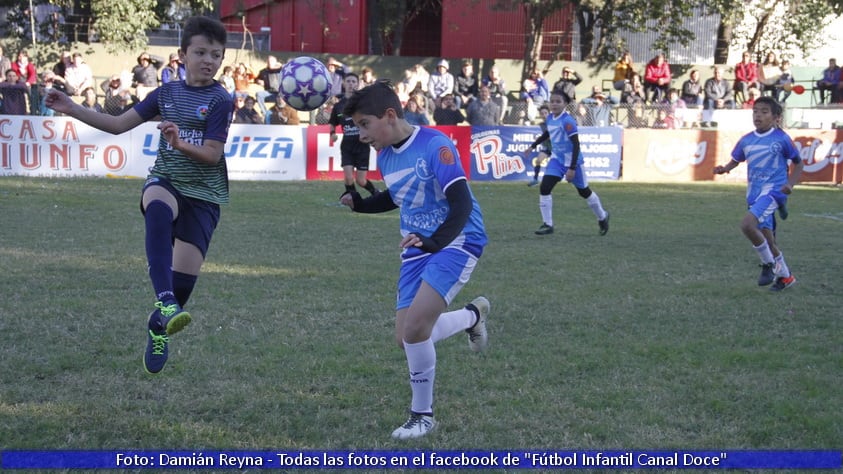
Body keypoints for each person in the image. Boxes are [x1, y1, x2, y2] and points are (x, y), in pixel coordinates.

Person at [44, 15, 233, 375]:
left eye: (216, 55)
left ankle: (158, 325)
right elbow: (117, 125)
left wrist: (179, 143)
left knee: (184, 287)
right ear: (183, 54)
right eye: (201, 52)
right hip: (167, 180)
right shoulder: (166, 93)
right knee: (158, 206)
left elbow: (212, 154)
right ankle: (163, 302)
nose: (209, 60)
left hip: (205, 196)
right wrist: (72, 108)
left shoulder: (221, 99)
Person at [339, 80, 490, 440]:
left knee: (416, 329)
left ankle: (422, 416)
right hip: (417, 246)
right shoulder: (387, 153)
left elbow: (462, 203)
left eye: (364, 124)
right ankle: (473, 315)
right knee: (407, 336)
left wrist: (436, 241)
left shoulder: (435, 145)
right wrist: (361, 205)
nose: (361, 135)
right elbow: (399, 196)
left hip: (456, 240)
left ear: (390, 116)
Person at [713, 96, 803, 292]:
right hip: (754, 193)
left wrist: (790, 184)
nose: (758, 115)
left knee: (747, 225)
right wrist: (725, 169)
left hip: (774, 191)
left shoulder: (781, 139)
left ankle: (768, 265)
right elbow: (737, 159)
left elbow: (798, 162)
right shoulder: (747, 140)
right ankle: (786, 277)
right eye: (755, 111)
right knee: (768, 241)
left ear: (776, 117)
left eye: (764, 112)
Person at [524, 90, 610, 236]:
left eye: (558, 101)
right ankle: (548, 224)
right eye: (552, 101)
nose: (554, 104)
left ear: (565, 104)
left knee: (584, 192)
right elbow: (547, 133)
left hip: (573, 162)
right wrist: (533, 145)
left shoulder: (568, 121)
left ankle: (602, 216)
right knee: (545, 187)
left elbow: (576, 145)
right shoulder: (550, 117)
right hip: (557, 160)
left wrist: (572, 168)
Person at [329, 73, 379, 198]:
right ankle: (353, 199)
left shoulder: (363, 104)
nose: (351, 84)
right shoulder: (338, 106)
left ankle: (376, 193)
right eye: (348, 81)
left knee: (361, 181)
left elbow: (372, 121)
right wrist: (332, 133)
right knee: (348, 177)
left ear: (357, 84)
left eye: (353, 82)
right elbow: (332, 123)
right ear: (344, 84)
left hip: (362, 146)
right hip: (347, 146)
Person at [527, 104, 551, 186]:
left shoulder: (553, 122)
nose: (544, 115)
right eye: (542, 113)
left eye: (545, 113)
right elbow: (545, 136)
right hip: (547, 147)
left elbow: (549, 136)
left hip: (557, 148)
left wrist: (540, 138)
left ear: (549, 113)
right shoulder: (542, 124)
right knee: (538, 161)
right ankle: (535, 180)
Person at [255, 55, 283, 121]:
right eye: (269, 61)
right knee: (259, 94)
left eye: (272, 61)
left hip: (279, 93)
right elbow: (256, 79)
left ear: (276, 62)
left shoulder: (281, 70)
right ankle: (264, 113)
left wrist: (281, 65)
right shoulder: (263, 71)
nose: (270, 63)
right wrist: (259, 81)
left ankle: (282, 114)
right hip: (269, 92)